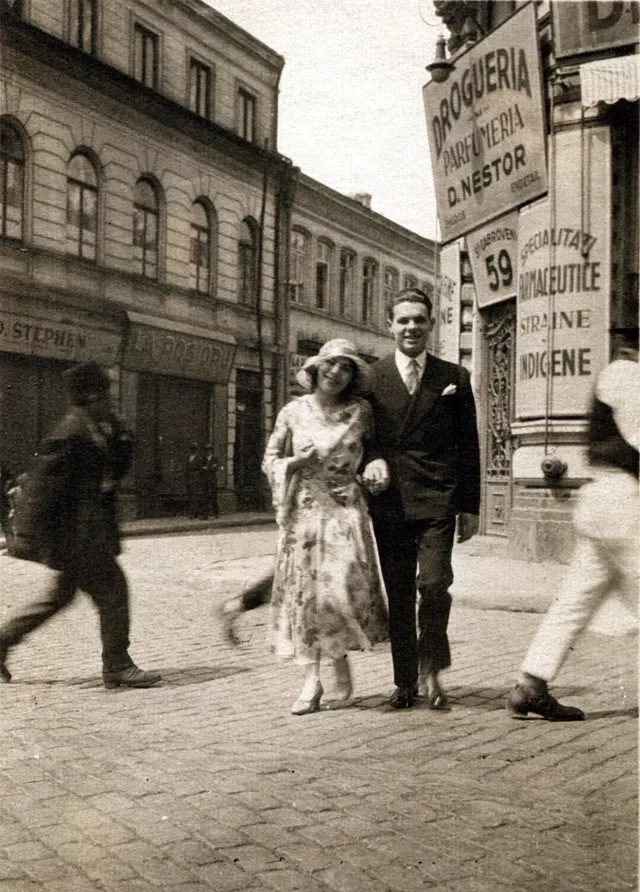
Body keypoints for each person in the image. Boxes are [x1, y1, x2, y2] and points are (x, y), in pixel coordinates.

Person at [0, 362, 161, 690]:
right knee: (114, 590)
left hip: (85, 534)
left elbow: (115, 467)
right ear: (90, 397)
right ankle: (117, 665)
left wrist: (123, 436)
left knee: (59, 597)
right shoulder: (70, 432)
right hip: (76, 537)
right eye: (105, 396)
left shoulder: (96, 427)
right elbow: (42, 487)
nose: (110, 402)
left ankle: (2, 641)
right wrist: (25, 536)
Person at [506, 330, 639, 721]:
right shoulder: (627, 374)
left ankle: (530, 685)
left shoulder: (621, 373)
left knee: (576, 599)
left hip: (607, 501)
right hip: (623, 501)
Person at [362, 288, 481, 710]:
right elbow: (362, 438)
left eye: (419, 320)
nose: (411, 327)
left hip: (438, 499)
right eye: (403, 320)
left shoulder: (453, 377)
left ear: (432, 325)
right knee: (399, 593)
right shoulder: (371, 378)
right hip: (390, 501)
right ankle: (405, 681)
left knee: (433, 585)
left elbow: (469, 444)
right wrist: (372, 461)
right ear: (389, 325)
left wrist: (471, 507)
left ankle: (432, 669)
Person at [262, 339, 389, 715]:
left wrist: (375, 467)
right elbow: (269, 459)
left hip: (346, 511)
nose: (336, 372)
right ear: (316, 369)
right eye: (331, 364)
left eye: (346, 367)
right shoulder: (292, 412)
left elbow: (378, 451)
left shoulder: (361, 412)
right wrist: (295, 463)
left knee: (340, 590)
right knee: (306, 598)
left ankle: (338, 659)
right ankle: (312, 680)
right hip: (303, 512)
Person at [200, 444, 220, 519]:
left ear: (211, 451)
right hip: (205, 480)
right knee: (205, 497)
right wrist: (208, 468)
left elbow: (214, 468)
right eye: (207, 450)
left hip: (212, 481)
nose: (208, 451)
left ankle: (216, 513)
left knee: (213, 497)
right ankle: (205, 515)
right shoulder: (203, 459)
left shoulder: (215, 459)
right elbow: (201, 469)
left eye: (209, 450)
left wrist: (207, 468)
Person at [185, 442, 202, 519]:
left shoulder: (199, 458)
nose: (192, 450)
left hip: (196, 479)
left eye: (194, 449)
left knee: (195, 496)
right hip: (189, 479)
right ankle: (192, 512)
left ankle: (195, 513)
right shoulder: (188, 457)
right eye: (191, 449)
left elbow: (200, 469)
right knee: (190, 496)